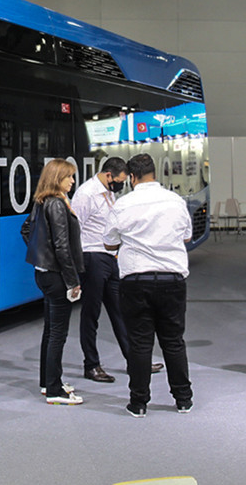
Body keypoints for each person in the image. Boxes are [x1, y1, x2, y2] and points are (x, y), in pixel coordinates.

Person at [104, 153, 194, 418]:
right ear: (155, 174)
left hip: (136, 280)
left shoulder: (123, 204)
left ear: (131, 178)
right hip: (172, 279)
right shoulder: (175, 201)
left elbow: (109, 242)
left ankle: (139, 402)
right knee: (174, 342)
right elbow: (187, 236)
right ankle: (183, 399)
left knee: (140, 344)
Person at [73, 157, 164, 384]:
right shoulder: (86, 195)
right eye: (118, 181)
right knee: (91, 314)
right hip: (92, 256)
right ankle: (91, 365)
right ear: (108, 175)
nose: (120, 186)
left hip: (111, 257)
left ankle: (135, 360)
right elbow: (75, 229)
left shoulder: (109, 193)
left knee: (122, 312)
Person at [21, 158, 85, 405]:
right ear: (57, 178)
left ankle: (48, 383)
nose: (72, 180)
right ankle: (55, 390)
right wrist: (73, 281)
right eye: (69, 176)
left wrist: (41, 254)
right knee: (58, 333)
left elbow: (26, 231)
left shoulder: (42, 201)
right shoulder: (57, 204)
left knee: (50, 331)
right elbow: (62, 246)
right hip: (57, 276)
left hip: (44, 273)